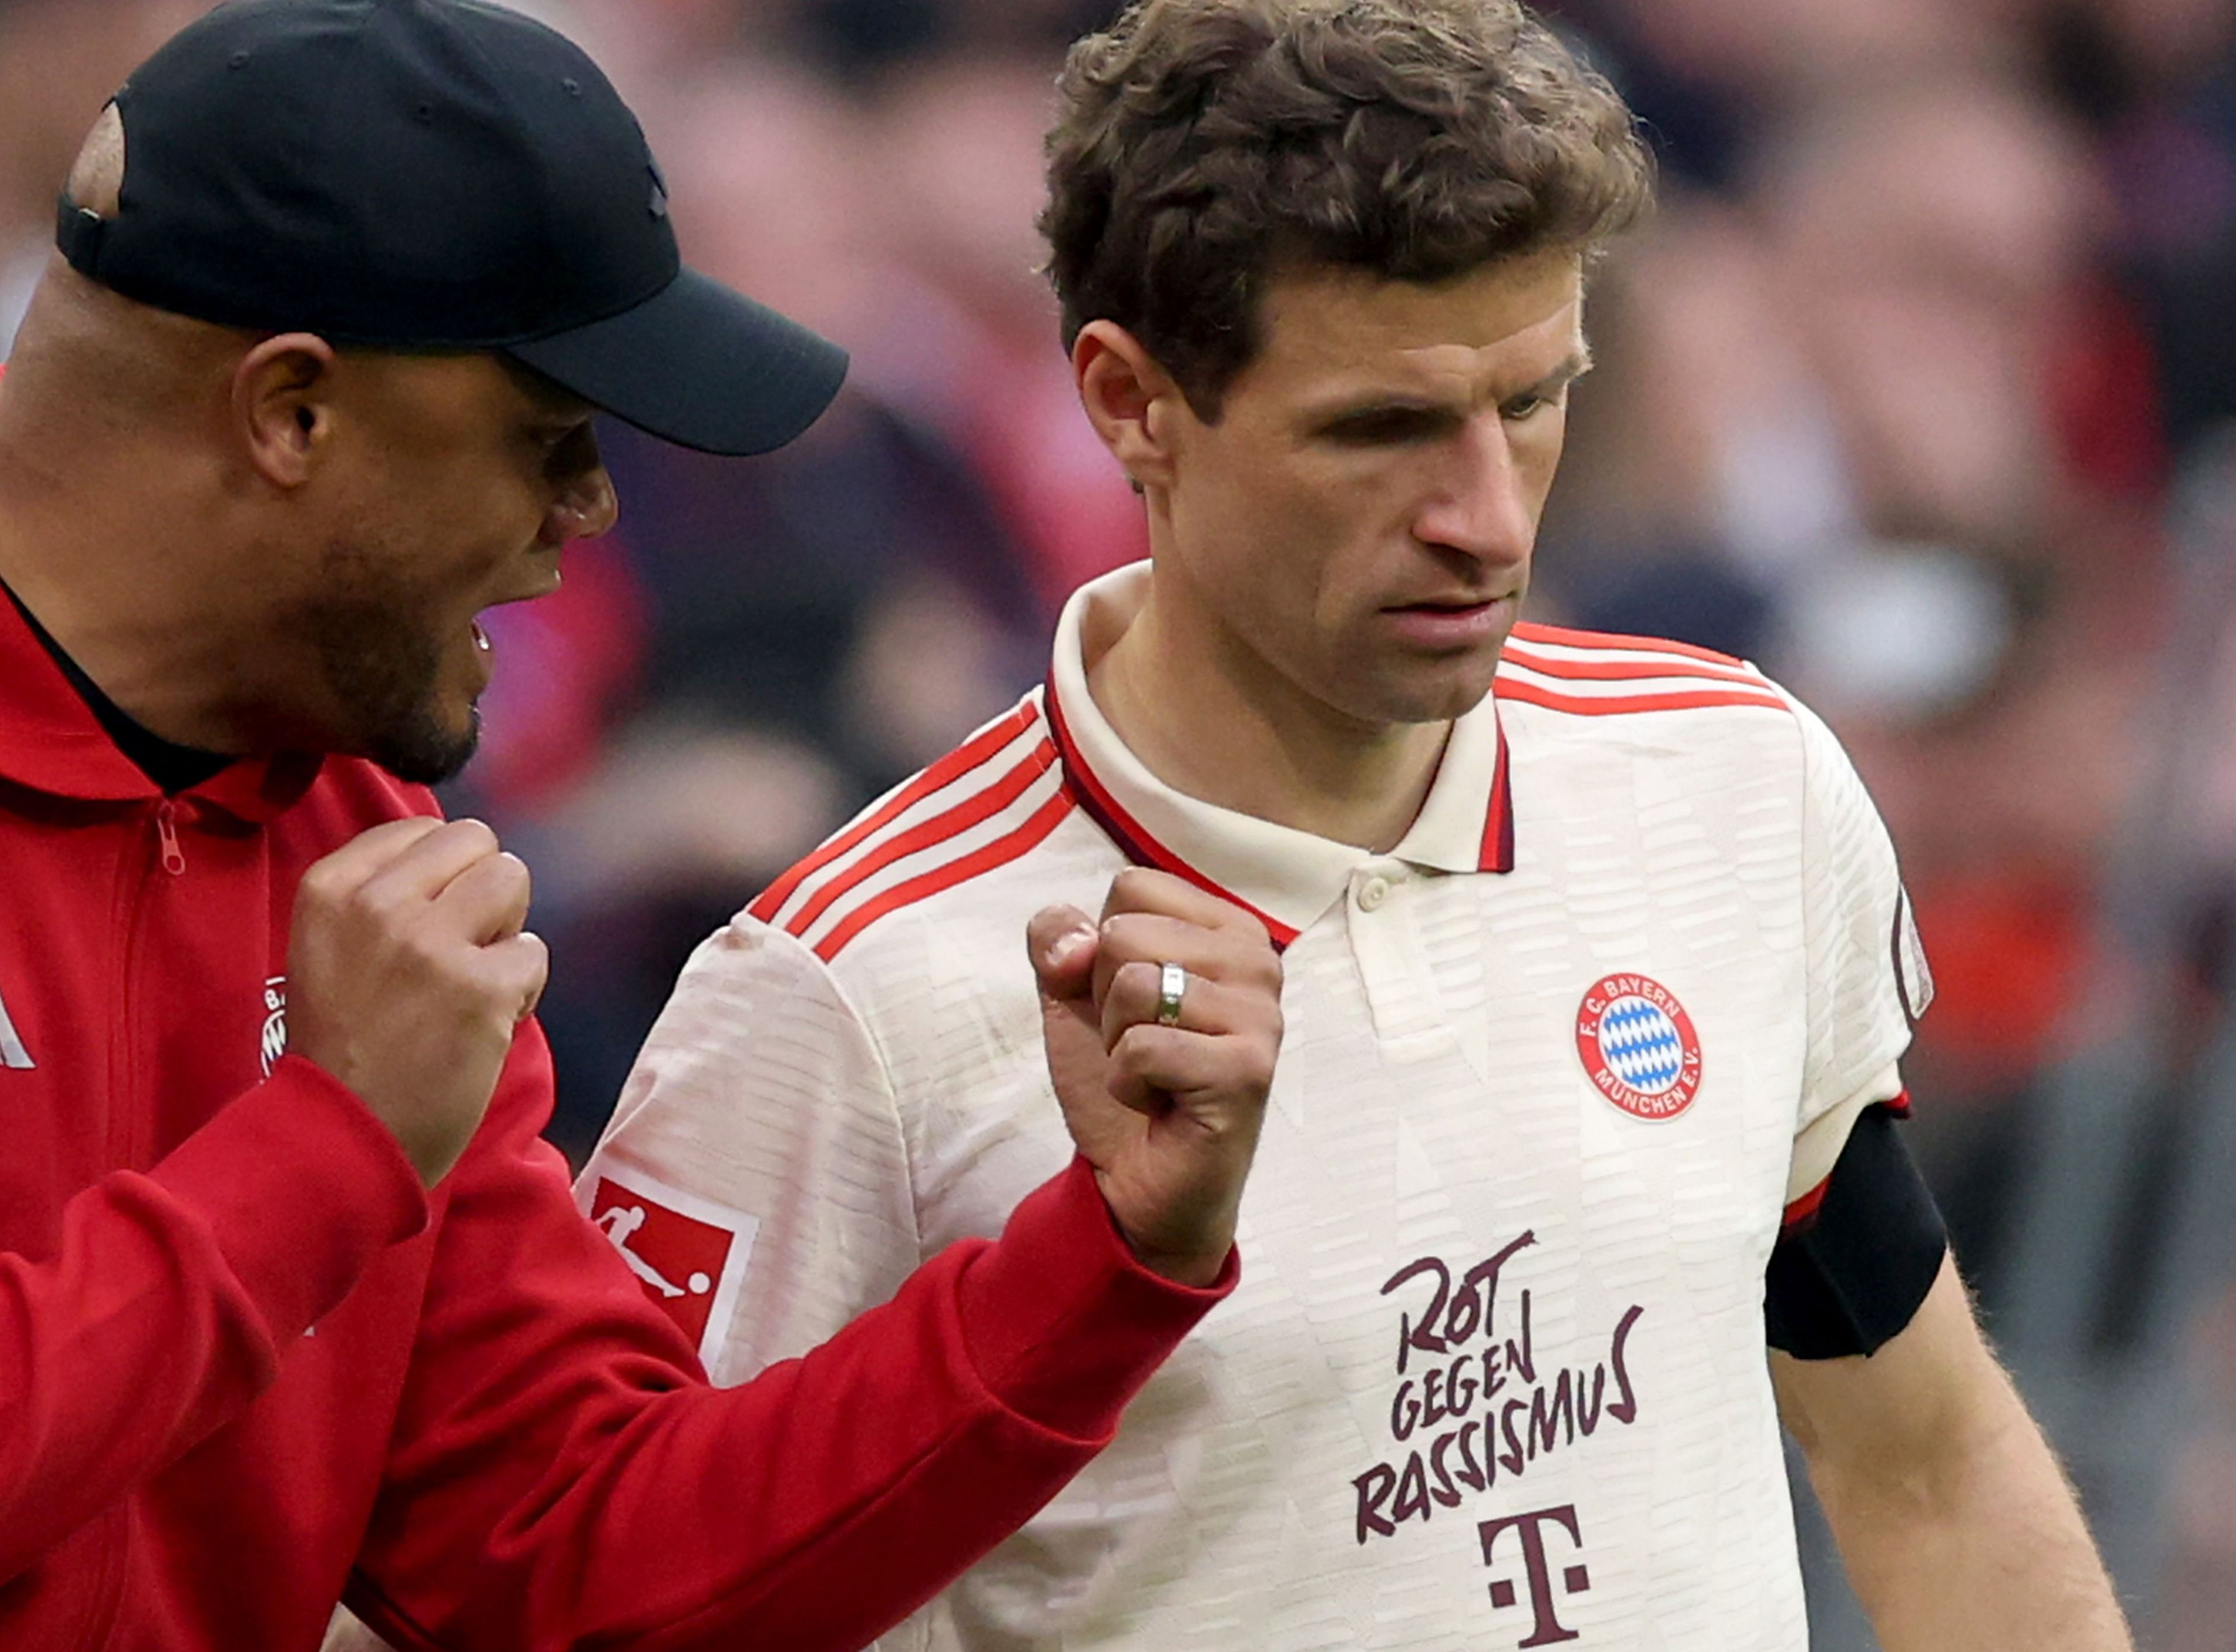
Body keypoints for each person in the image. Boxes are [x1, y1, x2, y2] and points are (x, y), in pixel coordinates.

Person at [0, 3, 1292, 1648]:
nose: (591, 521)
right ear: (289, 413)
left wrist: (1098, 1262)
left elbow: (567, 1556)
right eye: (548, 440)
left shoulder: (336, 811)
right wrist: (324, 1147)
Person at [572, 1, 2134, 1647]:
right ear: (1129, 404)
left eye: (1532, 405)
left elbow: (1927, 1461)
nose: (1481, 519)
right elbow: (621, 1598)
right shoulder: (839, 994)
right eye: (1378, 429)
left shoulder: (1735, 781)